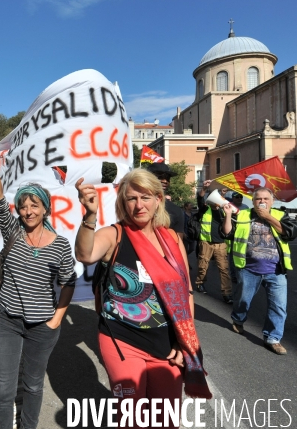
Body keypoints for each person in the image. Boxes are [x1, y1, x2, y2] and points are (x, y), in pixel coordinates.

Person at [75, 168, 211, 426]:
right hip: (122, 340)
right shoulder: (114, 234)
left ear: (158, 199)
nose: (139, 205)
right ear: (123, 203)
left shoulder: (171, 238)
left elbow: (186, 292)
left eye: (145, 197)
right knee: (133, 419)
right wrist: (90, 215)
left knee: (165, 419)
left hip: (167, 341)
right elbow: (85, 254)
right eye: (132, 198)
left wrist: (184, 342)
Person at [0, 123, 76, 429]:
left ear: (45, 209)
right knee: (4, 389)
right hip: (6, 321)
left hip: (41, 327)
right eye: (23, 206)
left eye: (34, 205)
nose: (27, 211)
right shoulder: (14, 232)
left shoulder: (60, 245)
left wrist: (57, 319)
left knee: (34, 387)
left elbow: (68, 282)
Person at [222, 187, 297, 355]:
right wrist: (228, 215)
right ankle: (238, 319)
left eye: (266, 199)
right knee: (243, 300)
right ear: (253, 201)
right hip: (248, 269)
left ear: (272, 201)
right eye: (258, 199)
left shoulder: (280, 215)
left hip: (276, 271)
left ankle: (273, 338)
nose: (262, 202)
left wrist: (268, 217)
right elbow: (227, 234)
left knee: (278, 306)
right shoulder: (243, 215)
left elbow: (291, 233)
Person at [195, 180, 233, 303]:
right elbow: (200, 198)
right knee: (203, 266)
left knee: (224, 269)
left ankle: (227, 293)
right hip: (205, 242)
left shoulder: (223, 211)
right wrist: (205, 189)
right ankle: (200, 283)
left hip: (220, 243)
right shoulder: (204, 209)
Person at [145, 162, 185, 239]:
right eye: (160, 177)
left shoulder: (176, 210)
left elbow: (178, 242)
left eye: (168, 178)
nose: (165, 181)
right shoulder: (137, 204)